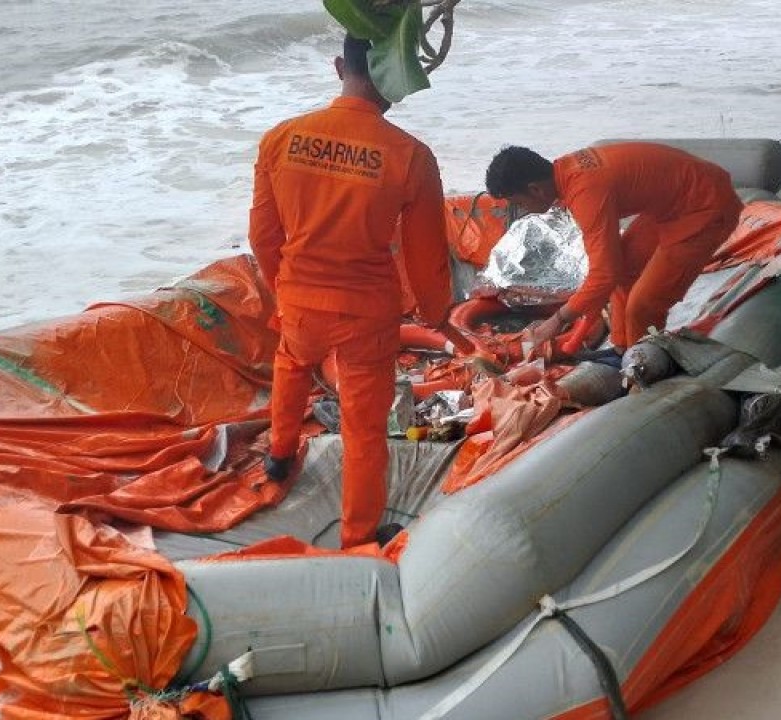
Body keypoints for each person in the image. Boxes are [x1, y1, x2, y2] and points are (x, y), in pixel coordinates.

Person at [249, 34, 453, 548]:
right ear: (396, 77)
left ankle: (278, 458)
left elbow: (263, 236)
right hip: (367, 314)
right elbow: (427, 257)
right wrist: (436, 314)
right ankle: (358, 535)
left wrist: (284, 286)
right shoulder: (410, 156)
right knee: (364, 431)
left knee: (292, 365)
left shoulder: (280, 137)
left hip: (299, 297)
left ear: (341, 66)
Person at [484, 143, 744, 354]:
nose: (520, 210)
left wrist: (557, 320)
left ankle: (642, 371)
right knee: (626, 267)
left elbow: (603, 274)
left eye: (518, 202)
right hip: (671, 205)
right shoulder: (566, 170)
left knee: (642, 305)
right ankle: (622, 349)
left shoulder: (586, 190)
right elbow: (613, 269)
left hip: (705, 206)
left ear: (535, 189)